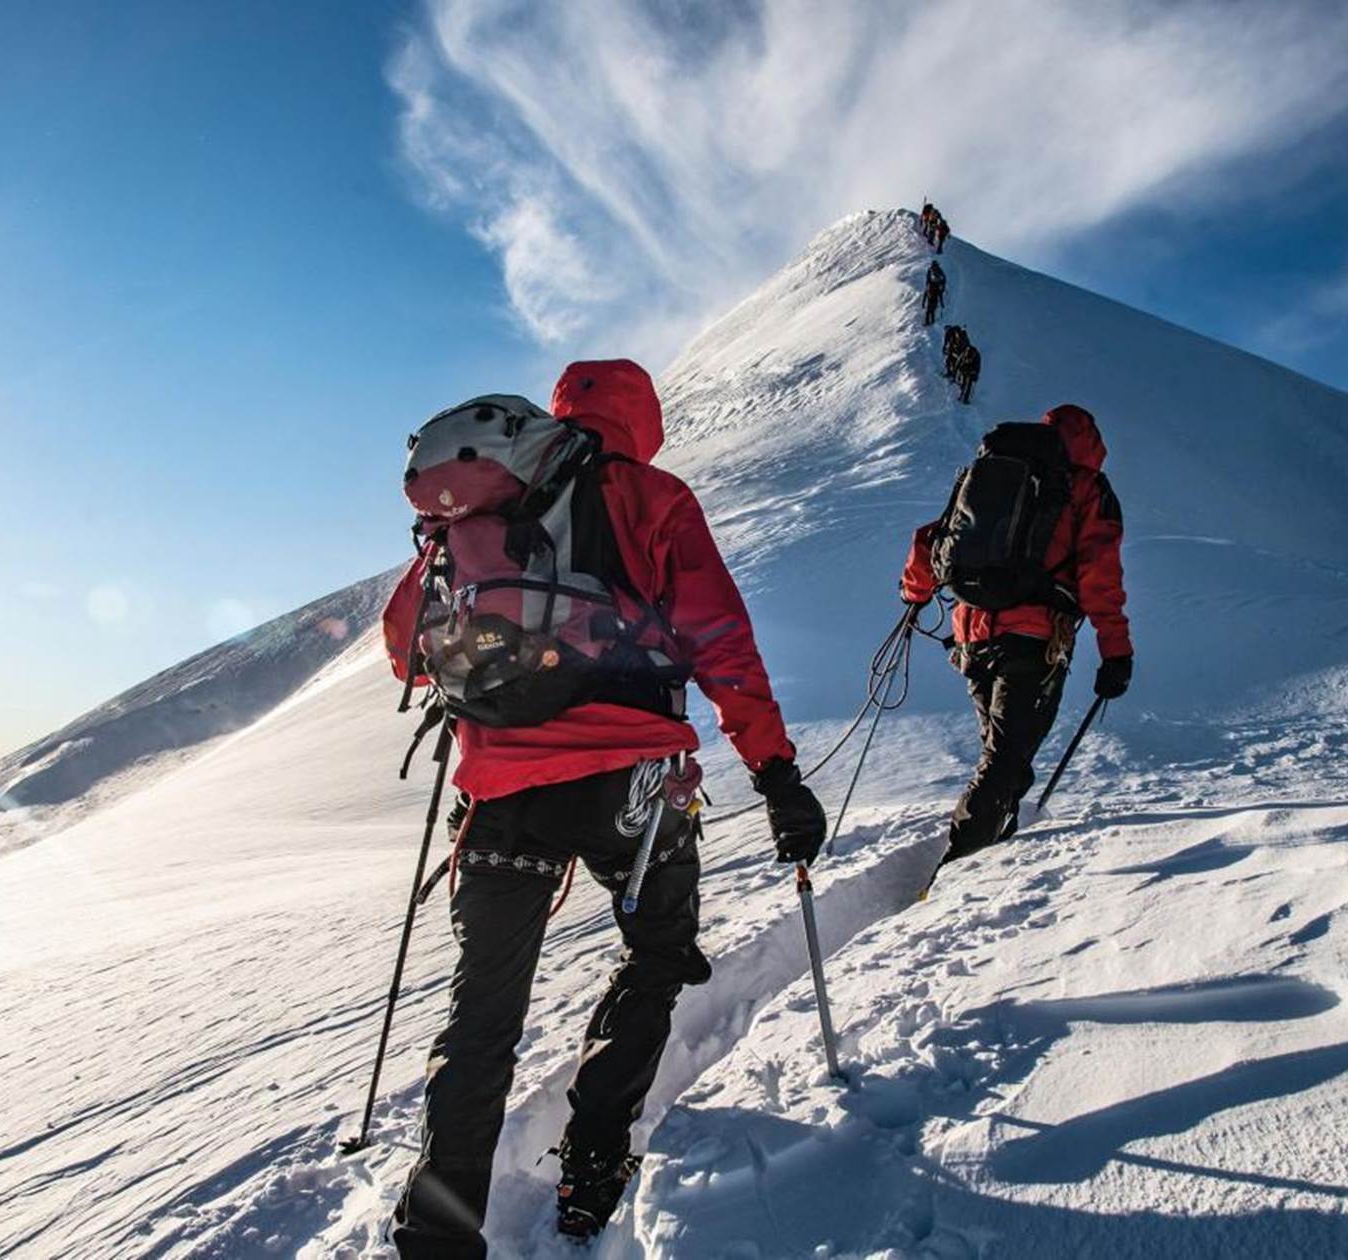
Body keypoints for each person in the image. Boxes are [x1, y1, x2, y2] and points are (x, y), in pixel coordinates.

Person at [385, 360, 828, 1258]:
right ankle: (591, 1170)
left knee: (483, 1011)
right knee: (658, 951)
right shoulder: (649, 495)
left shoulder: (474, 510)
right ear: (644, 420)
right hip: (632, 780)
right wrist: (776, 774)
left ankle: (435, 1231)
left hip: (500, 790)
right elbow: (722, 642)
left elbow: (405, 649)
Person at [899, 404, 1132, 873]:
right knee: (1005, 757)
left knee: (1003, 753)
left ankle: (993, 840)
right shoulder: (1085, 487)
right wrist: (1116, 651)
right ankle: (956, 869)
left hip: (971, 636)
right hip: (1034, 638)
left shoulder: (992, 469)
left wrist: (914, 593)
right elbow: (1100, 576)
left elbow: (934, 538)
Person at [923, 261, 947, 326]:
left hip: (931, 299)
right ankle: (932, 322)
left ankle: (928, 322)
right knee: (932, 311)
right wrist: (942, 303)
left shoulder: (930, 270)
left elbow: (925, 294)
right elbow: (940, 295)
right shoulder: (938, 271)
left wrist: (923, 303)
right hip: (934, 299)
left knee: (928, 311)